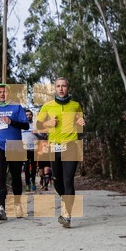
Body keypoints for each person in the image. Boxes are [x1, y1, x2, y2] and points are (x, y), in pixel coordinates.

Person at [36, 77, 85, 228]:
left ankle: (67, 214)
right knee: (57, 182)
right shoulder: (47, 106)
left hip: (71, 146)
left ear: (68, 88)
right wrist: (47, 123)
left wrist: (81, 123)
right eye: (58, 86)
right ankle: (66, 201)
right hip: (54, 148)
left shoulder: (75, 105)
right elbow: (37, 126)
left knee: (68, 180)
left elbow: (80, 127)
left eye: (64, 86)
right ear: (55, 89)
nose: (61, 89)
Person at [0, 83, 29, 220]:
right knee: (0, 177)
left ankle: (17, 205)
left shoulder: (16, 107)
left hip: (15, 147)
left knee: (16, 177)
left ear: (9, 93)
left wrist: (11, 122)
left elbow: (26, 124)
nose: (2, 94)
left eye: (4, 91)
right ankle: (1, 208)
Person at [22, 109, 37, 192]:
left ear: (32, 115)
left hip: (35, 148)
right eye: (26, 115)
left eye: (29, 115)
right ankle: (27, 183)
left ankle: (33, 181)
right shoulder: (22, 125)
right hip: (25, 149)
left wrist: (37, 133)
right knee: (26, 166)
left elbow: (43, 136)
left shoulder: (36, 125)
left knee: (34, 167)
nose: (28, 116)